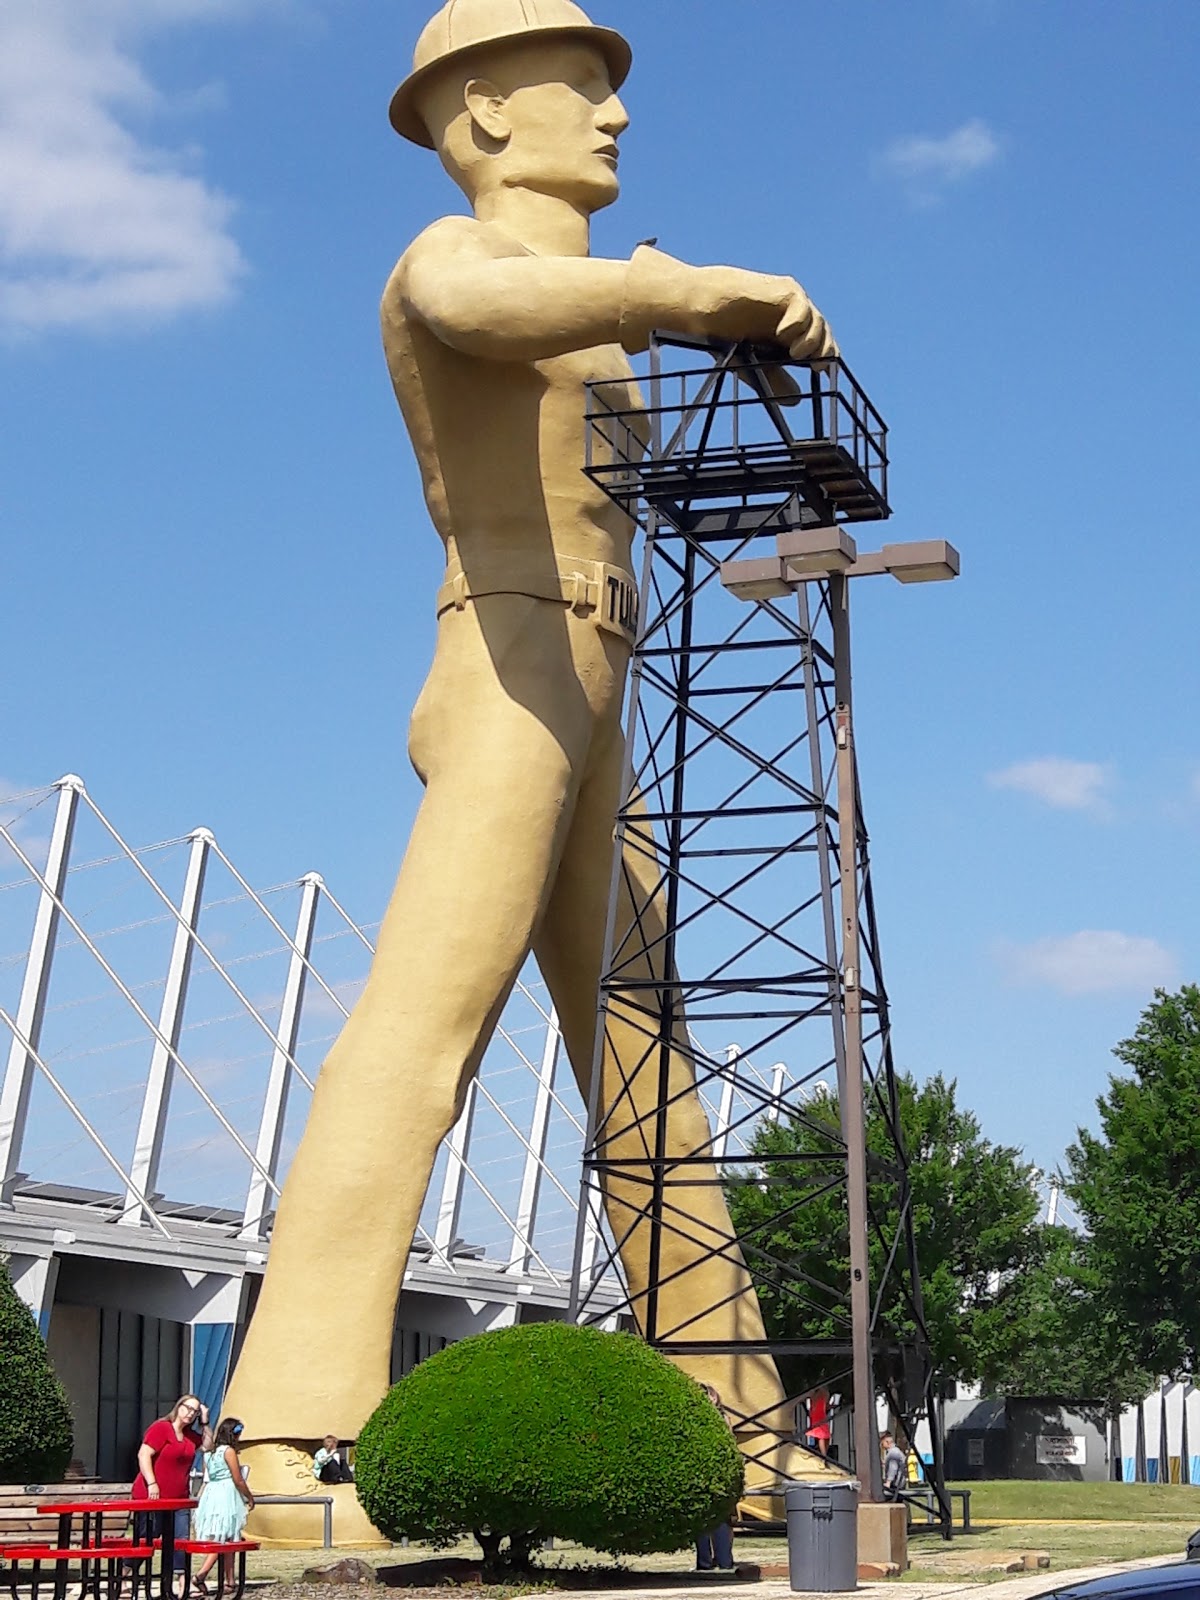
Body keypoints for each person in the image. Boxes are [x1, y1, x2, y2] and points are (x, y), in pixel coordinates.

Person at [224, 0, 838, 1501]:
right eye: (582, 84)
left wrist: (699, 326)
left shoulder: (589, 304)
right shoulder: (453, 258)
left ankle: (744, 1429)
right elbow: (482, 311)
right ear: (487, 109)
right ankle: (291, 1421)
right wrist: (681, 292)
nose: (616, 115)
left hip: (600, 679)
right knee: (423, 1031)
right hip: (510, 663)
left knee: (648, 1068)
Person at [131, 1395, 213, 1599]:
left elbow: (208, 1446)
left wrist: (205, 1421)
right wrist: (152, 1482)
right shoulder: (161, 1428)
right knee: (147, 1537)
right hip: (152, 1495)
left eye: (195, 1411)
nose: (190, 1414)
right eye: (188, 1408)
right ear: (179, 1407)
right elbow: (143, 1454)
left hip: (179, 1498)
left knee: (181, 1539)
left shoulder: (190, 1436)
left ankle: (183, 1581)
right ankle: (125, 1574)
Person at [192, 1418, 255, 1596]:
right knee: (225, 1539)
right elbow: (238, 1478)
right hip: (226, 1494)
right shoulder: (228, 1451)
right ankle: (201, 1575)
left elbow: (209, 1476)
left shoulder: (209, 1453)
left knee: (227, 1537)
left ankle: (230, 1580)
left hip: (212, 1493)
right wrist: (249, 1497)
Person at [695, 1385, 736, 1572]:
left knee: (710, 1520)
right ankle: (722, 1561)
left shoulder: (702, 1418)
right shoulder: (722, 1418)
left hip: (708, 1473)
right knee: (716, 1519)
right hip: (717, 1473)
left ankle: (709, 1562)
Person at [881, 1432, 907, 1502]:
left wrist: (888, 1482)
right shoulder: (896, 1451)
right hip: (899, 1484)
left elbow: (893, 1467)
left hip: (895, 1485)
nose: (882, 1445)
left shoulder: (893, 1453)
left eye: (882, 1443)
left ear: (887, 1442)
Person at [805, 1388, 831, 1457]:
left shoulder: (816, 1396)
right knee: (822, 1436)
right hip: (818, 1416)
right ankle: (824, 1454)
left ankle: (824, 1454)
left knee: (825, 1436)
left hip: (820, 1416)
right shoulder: (817, 1396)